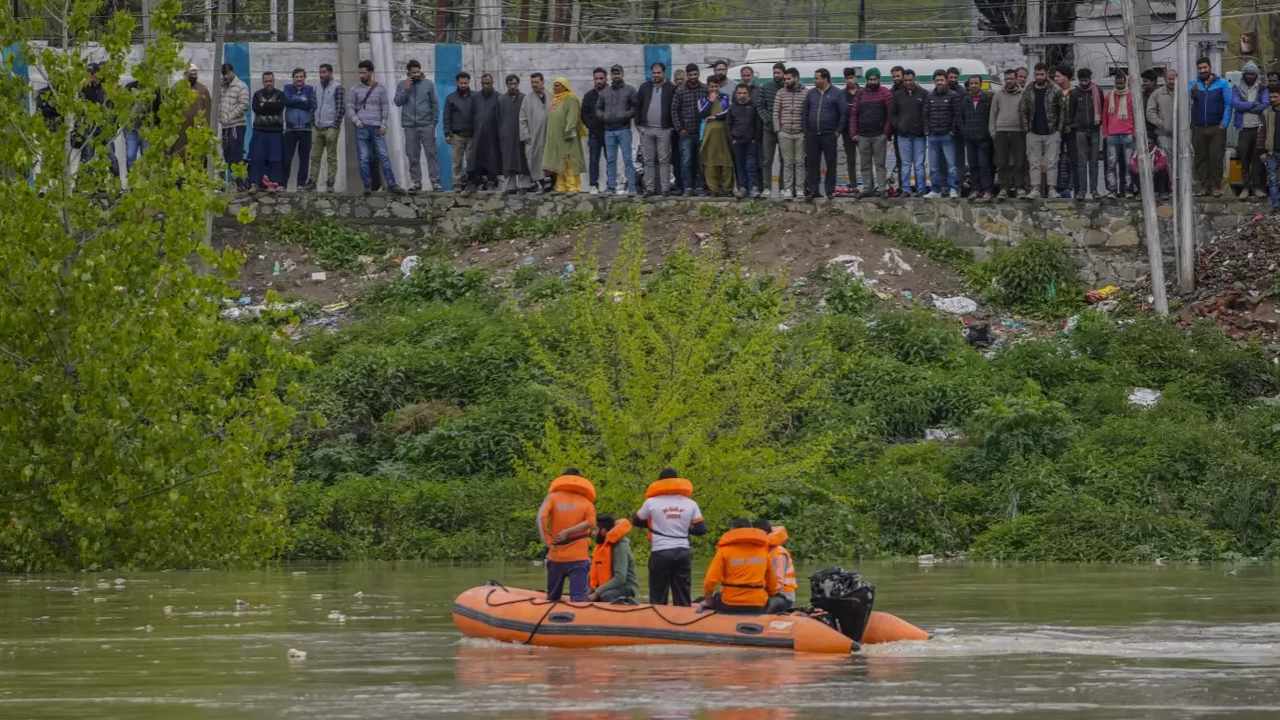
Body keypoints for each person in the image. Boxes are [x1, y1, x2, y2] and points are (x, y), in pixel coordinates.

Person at [633, 468, 707, 607]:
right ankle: (684, 622)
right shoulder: (690, 503)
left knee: (658, 594)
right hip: (683, 551)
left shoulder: (651, 502)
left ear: (659, 482)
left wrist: (653, 523)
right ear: (678, 482)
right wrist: (684, 527)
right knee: (683, 594)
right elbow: (701, 529)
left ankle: (658, 623)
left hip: (660, 552)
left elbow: (636, 520)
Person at [537, 469, 597, 603]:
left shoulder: (552, 497)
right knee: (579, 600)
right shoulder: (587, 502)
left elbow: (541, 518)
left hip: (556, 557)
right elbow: (591, 524)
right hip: (579, 558)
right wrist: (569, 531)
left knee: (552, 599)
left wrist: (547, 541)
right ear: (582, 481)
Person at [348, 60, 405, 195]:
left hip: (377, 128)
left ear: (371, 73)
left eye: (364, 72)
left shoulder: (380, 89)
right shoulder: (354, 89)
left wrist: (384, 124)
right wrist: (357, 122)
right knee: (364, 157)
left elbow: (385, 107)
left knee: (384, 156)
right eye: (360, 72)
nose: (361, 75)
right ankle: (367, 186)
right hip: (362, 128)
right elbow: (350, 107)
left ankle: (392, 184)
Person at [700, 518, 778, 614]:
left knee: (713, 598)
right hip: (758, 604)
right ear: (751, 530)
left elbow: (710, 580)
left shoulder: (724, 550)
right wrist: (771, 595)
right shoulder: (763, 550)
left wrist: (708, 599)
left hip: (729, 603)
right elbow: (772, 583)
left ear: (732, 530)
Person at [394, 59, 441, 193]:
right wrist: (406, 89)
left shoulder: (428, 84)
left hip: (426, 125)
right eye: (413, 72)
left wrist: (433, 123)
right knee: (412, 155)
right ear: (408, 72)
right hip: (409, 126)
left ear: (421, 70)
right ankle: (416, 182)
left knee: (431, 154)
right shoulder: (402, 85)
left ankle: (435, 182)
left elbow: (435, 104)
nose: (416, 74)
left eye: (418, 71)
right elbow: (397, 102)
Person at [1190, 56, 1233, 196]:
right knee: (1200, 158)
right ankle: (1204, 186)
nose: (1202, 70)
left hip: (1217, 128)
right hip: (1198, 127)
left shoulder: (1222, 84)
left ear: (1210, 68)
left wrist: (1224, 124)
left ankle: (1216, 186)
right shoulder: (1194, 84)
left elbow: (1228, 104)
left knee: (1216, 157)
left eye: (1205, 67)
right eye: (1200, 68)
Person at [1020, 63, 1064, 199]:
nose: (1039, 77)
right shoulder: (1028, 89)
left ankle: (1051, 189)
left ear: (1046, 74)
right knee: (1034, 162)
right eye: (1037, 74)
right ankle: (1036, 189)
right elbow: (1023, 110)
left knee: (1052, 162)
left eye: (1041, 74)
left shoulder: (1055, 90)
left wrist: (1059, 130)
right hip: (1033, 132)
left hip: (1051, 131)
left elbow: (1062, 110)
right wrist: (1026, 128)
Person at [801, 68, 846, 199]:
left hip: (829, 134)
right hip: (812, 135)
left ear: (825, 79)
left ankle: (830, 190)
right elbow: (805, 113)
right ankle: (813, 190)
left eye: (817, 78)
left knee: (831, 162)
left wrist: (838, 131)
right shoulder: (811, 93)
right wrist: (806, 130)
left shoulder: (837, 93)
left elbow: (843, 114)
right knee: (812, 163)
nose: (814, 80)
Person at [851, 68, 893, 197]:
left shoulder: (885, 93)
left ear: (879, 79)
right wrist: (854, 133)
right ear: (866, 80)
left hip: (879, 135)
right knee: (865, 164)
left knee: (880, 164)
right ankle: (867, 188)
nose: (873, 82)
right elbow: (854, 114)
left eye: (875, 79)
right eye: (870, 79)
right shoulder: (860, 94)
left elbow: (890, 115)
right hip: (863, 136)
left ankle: (882, 189)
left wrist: (886, 133)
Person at [598, 64, 638, 195]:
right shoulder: (605, 92)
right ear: (611, 75)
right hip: (608, 130)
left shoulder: (630, 90)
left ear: (622, 74)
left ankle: (632, 188)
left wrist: (625, 115)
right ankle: (611, 187)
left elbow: (636, 107)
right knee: (610, 160)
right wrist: (603, 116)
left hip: (624, 129)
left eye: (618, 73)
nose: (616, 76)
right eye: (614, 74)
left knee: (627, 159)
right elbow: (598, 108)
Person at [1232, 61, 1269, 199]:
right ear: (1244, 74)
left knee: (1257, 160)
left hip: (1258, 129)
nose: (1250, 76)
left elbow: (1264, 104)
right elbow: (1235, 104)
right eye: (1247, 73)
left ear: (1256, 75)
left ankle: (1257, 187)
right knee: (1244, 160)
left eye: (1252, 74)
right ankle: (1245, 188)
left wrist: (1245, 105)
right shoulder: (1236, 88)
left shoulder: (1262, 88)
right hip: (1243, 129)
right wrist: (1253, 104)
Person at [637, 62, 675, 196]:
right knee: (648, 160)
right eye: (654, 73)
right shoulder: (644, 87)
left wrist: (671, 128)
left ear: (664, 73)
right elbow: (638, 106)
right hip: (646, 129)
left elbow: (674, 108)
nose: (656, 75)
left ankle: (665, 189)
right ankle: (650, 188)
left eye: (658, 72)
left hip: (664, 130)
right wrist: (639, 125)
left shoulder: (671, 88)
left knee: (664, 160)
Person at [923, 68, 961, 198]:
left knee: (951, 165)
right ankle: (936, 190)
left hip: (947, 136)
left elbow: (957, 115)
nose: (939, 82)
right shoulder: (929, 96)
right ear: (934, 81)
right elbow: (925, 114)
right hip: (933, 136)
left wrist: (952, 131)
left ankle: (953, 189)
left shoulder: (953, 95)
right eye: (937, 80)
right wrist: (927, 130)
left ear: (946, 81)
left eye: (942, 80)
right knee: (933, 166)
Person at [544, 77, 587, 192]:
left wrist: (568, 132)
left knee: (570, 161)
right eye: (554, 85)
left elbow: (573, 116)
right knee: (559, 161)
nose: (555, 87)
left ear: (565, 86)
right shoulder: (555, 100)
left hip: (567, 137)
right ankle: (561, 185)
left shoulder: (571, 98)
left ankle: (572, 186)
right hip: (557, 138)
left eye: (557, 85)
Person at [989, 68, 1025, 199]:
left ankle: (1019, 188)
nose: (1008, 81)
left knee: (1019, 162)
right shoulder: (998, 95)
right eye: (1006, 79)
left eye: (1011, 78)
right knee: (1001, 162)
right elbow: (993, 114)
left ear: (1016, 79)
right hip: (1001, 132)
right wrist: (993, 132)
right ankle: (1003, 189)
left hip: (1018, 132)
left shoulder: (1023, 94)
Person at [1068, 67, 1103, 200]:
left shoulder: (1097, 91)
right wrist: (1075, 125)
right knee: (1082, 162)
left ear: (1090, 79)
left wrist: (1098, 124)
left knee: (1094, 162)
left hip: (1094, 130)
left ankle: (1094, 190)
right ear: (1078, 79)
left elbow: (1102, 107)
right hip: (1080, 131)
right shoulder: (1075, 93)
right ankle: (1082, 191)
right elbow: (1071, 112)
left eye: (1086, 80)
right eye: (1082, 80)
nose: (1084, 83)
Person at [890, 68, 928, 196]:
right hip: (903, 135)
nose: (908, 82)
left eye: (910, 80)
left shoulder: (923, 94)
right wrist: (899, 126)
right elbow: (893, 114)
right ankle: (905, 189)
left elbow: (926, 113)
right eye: (905, 80)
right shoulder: (897, 95)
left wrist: (924, 128)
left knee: (919, 165)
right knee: (905, 164)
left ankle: (921, 189)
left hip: (919, 135)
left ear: (914, 79)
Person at [773, 67, 808, 199]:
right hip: (785, 133)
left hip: (800, 134)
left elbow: (808, 112)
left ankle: (799, 189)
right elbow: (776, 112)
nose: (786, 81)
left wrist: (805, 131)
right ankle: (788, 189)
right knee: (787, 162)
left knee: (800, 162)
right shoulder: (780, 93)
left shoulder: (805, 92)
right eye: (785, 79)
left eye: (789, 79)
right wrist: (778, 130)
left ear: (796, 78)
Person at [672, 63, 707, 196]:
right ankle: (687, 187)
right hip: (685, 133)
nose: (693, 77)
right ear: (687, 75)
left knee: (700, 161)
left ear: (698, 74)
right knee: (686, 161)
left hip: (701, 132)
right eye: (690, 75)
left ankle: (699, 187)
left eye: (695, 74)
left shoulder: (704, 89)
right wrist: (680, 128)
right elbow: (674, 110)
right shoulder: (680, 90)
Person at [588, 515, 639, 603]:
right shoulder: (601, 546)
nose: (593, 533)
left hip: (626, 588)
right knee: (584, 593)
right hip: (608, 587)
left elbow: (620, 578)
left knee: (605, 596)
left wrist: (597, 593)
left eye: (595, 530)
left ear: (603, 531)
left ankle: (628, 603)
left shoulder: (620, 547)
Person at [959, 74, 994, 201]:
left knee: (984, 165)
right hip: (970, 139)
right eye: (971, 83)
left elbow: (991, 118)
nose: (973, 86)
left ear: (980, 84)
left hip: (984, 139)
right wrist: (965, 132)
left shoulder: (987, 99)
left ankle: (987, 190)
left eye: (976, 83)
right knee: (973, 165)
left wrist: (988, 134)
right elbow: (961, 118)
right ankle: (975, 189)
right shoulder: (965, 100)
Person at [249, 71, 286, 191]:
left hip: (275, 131)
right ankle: (256, 183)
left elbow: (279, 107)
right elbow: (256, 109)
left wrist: (264, 105)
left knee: (275, 159)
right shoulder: (257, 94)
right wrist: (271, 106)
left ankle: (274, 183)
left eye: (270, 81)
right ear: (263, 82)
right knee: (257, 158)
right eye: (266, 81)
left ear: (273, 81)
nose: (268, 83)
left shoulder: (280, 94)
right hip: (260, 131)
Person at [1102, 71, 1136, 198]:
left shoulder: (1131, 96)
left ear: (1125, 81)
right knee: (1111, 164)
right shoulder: (1108, 96)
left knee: (1128, 164)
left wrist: (1133, 132)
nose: (1119, 82)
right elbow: (1105, 116)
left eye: (1122, 80)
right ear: (1114, 81)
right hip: (1112, 135)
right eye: (1117, 80)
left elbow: (1135, 115)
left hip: (1128, 134)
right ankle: (1112, 190)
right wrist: (1105, 133)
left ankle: (1128, 189)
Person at [466, 73, 502, 190]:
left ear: (492, 83)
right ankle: (476, 181)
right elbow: (471, 115)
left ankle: (492, 180)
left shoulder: (498, 97)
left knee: (492, 158)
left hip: (493, 134)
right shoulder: (475, 97)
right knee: (475, 158)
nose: (486, 86)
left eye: (488, 83)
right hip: (478, 134)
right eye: (483, 83)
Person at [281, 67, 315, 190]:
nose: (299, 79)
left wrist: (295, 100)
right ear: (293, 78)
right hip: (290, 129)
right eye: (297, 77)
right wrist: (302, 99)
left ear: (304, 78)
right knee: (286, 158)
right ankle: (283, 184)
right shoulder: (287, 88)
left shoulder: (310, 89)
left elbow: (310, 105)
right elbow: (287, 102)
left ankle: (301, 184)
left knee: (304, 159)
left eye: (301, 76)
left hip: (306, 129)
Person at [699, 75, 733, 196]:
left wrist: (716, 116)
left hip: (723, 132)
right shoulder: (703, 99)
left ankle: (727, 188)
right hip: (709, 133)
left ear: (719, 86)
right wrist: (710, 101)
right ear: (708, 86)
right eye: (711, 86)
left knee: (726, 161)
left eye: (716, 86)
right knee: (709, 161)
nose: (714, 89)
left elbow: (728, 111)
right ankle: (713, 189)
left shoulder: (725, 97)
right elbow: (702, 113)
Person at [218, 63, 250, 190]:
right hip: (226, 126)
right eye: (223, 74)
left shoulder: (241, 86)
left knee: (236, 154)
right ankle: (237, 181)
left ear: (232, 72)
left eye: (226, 73)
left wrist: (229, 116)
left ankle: (243, 181)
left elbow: (244, 105)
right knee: (227, 154)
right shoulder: (222, 87)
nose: (225, 76)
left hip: (237, 125)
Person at [443, 71, 476, 191]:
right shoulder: (451, 98)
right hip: (457, 135)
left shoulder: (475, 96)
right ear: (457, 82)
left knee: (471, 161)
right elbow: (446, 117)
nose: (463, 85)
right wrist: (447, 133)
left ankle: (470, 183)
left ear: (469, 82)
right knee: (457, 162)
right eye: (461, 83)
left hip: (472, 135)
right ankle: (457, 184)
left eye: (465, 83)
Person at [728, 82, 761, 198]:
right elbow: (729, 125)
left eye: (744, 93)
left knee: (751, 165)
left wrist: (755, 139)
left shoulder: (753, 107)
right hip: (737, 142)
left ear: (749, 94)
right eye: (739, 93)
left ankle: (753, 188)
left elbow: (758, 125)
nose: (742, 95)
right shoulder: (732, 108)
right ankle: (743, 188)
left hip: (751, 142)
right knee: (740, 165)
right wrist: (732, 139)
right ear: (736, 94)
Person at [171, 63, 211, 159]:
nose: (193, 77)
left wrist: (206, 127)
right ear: (185, 74)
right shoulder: (177, 88)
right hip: (181, 130)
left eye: (195, 75)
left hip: (197, 129)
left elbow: (208, 110)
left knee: (196, 157)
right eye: (191, 75)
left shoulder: (203, 89)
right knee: (180, 156)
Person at [1148, 67, 1177, 195]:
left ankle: (1183, 187)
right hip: (1164, 135)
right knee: (1168, 162)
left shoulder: (1183, 92)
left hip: (1182, 135)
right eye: (1169, 79)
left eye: (1174, 78)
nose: (1172, 81)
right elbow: (1150, 112)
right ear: (1165, 79)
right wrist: (1162, 124)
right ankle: (1171, 188)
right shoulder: (1157, 94)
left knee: (1186, 159)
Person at [759, 62, 786, 197]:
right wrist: (768, 119)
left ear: (783, 73)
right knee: (767, 159)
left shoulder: (788, 87)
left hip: (784, 129)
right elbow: (760, 106)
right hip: (768, 129)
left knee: (784, 159)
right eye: (774, 72)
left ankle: (783, 188)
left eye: (778, 73)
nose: (776, 75)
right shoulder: (765, 87)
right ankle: (766, 187)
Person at [497, 74, 528, 192]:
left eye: (515, 84)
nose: (513, 86)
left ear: (518, 84)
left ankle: (524, 185)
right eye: (510, 84)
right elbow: (498, 118)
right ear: (507, 85)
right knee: (508, 160)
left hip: (521, 135)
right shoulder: (501, 99)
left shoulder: (524, 98)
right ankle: (511, 186)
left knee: (522, 160)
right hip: (507, 136)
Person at [520, 72, 550, 192]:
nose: (534, 85)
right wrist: (526, 135)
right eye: (532, 82)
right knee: (534, 160)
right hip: (534, 136)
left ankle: (549, 184)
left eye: (536, 82)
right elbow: (522, 119)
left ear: (542, 82)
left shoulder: (550, 96)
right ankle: (539, 183)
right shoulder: (527, 99)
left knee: (548, 160)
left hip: (548, 136)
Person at [760, 520, 797, 613]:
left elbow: (778, 584)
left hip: (784, 595)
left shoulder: (778, 554)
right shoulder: (761, 551)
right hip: (767, 593)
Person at [739, 65, 766, 192]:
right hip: (742, 132)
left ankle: (759, 187)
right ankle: (745, 187)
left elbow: (761, 108)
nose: (746, 78)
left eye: (748, 75)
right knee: (745, 162)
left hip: (757, 130)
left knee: (759, 160)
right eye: (743, 75)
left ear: (752, 75)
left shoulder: (759, 89)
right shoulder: (738, 90)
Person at [582, 68, 608, 194]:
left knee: (611, 159)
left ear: (606, 79)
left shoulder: (611, 93)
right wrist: (591, 125)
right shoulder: (589, 96)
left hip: (609, 132)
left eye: (601, 78)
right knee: (593, 160)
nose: (598, 81)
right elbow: (584, 114)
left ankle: (612, 184)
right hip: (594, 134)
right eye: (596, 78)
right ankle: (593, 185)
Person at [1054, 66, 1075, 198]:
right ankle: (1060, 186)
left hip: (1072, 131)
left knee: (1071, 159)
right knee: (1058, 159)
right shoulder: (1055, 93)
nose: (1055, 79)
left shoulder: (1075, 92)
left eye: (1058, 76)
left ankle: (1070, 186)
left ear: (1066, 77)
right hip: (1057, 131)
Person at [841, 67, 860, 190]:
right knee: (851, 159)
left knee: (866, 159)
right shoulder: (841, 94)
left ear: (856, 77)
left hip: (862, 131)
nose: (850, 80)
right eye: (847, 78)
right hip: (847, 132)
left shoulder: (863, 92)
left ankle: (868, 185)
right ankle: (853, 185)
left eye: (851, 78)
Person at [1261, 89, 1280, 211]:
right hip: (1272, 152)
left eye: (1275, 96)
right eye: (1270, 97)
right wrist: (1262, 151)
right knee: (1272, 180)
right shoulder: (1267, 113)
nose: (1272, 99)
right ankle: (1275, 205)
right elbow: (1262, 133)